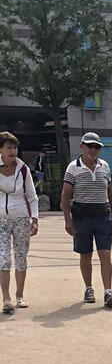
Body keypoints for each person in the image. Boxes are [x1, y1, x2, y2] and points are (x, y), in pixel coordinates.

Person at [60, 132, 112, 309]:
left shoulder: (105, 166)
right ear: (82, 146)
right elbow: (65, 195)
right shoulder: (73, 168)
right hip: (82, 216)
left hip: (103, 215)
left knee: (105, 253)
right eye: (90, 146)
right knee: (85, 254)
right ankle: (88, 288)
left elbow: (109, 192)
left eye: (97, 147)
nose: (94, 150)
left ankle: (108, 291)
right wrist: (68, 220)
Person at [0, 130, 39, 313]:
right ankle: (6, 298)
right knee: (3, 259)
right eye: (9, 147)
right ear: (1, 150)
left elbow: (32, 196)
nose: (13, 151)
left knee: (21, 257)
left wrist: (35, 218)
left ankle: (19, 296)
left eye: (15, 147)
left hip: (21, 217)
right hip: (1, 219)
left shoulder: (23, 170)